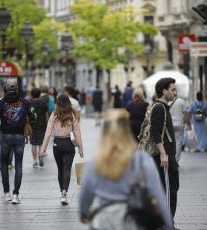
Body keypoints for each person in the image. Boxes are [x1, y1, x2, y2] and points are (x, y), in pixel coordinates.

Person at [79, 109, 173, 230]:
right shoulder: (142, 160)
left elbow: (85, 196)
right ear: (127, 130)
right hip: (134, 221)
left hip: (104, 222)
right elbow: (158, 195)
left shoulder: (95, 163)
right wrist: (168, 225)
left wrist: (83, 213)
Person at [0, 78, 36, 204]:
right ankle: (15, 195)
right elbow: (33, 117)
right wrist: (27, 124)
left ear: (5, 88)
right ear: (17, 88)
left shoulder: (0, 103)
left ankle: (6, 193)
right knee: (18, 165)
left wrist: (2, 127)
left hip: (6, 137)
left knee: (5, 165)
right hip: (19, 137)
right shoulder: (25, 102)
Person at [39, 95, 84, 205]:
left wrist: (42, 149)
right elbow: (77, 132)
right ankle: (64, 192)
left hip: (57, 145)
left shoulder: (54, 115)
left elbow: (48, 132)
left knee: (60, 169)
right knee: (67, 169)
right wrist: (81, 148)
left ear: (58, 103)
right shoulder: (71, 115)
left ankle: (61, 192)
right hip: (68, 144)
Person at [150, 78, 179, 229]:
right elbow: (155, 133)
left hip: (168, 156)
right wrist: (162, 153)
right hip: (164, 157)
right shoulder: (159, 108)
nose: (175, 92)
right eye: (173, 89)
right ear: (164, 91)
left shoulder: (163, 107)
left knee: (171, 190)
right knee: (168, 193)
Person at [169, 95, 191, 162]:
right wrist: (188, 124)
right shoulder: (181, 101)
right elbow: (185, 114)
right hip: (179, 124)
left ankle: (171, 158)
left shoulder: (168, 101)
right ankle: (176, 160)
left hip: (170, 125)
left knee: (170, 142)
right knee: (178, 143)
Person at [30, 88, 48, 168]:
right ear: (39, 94)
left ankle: (34, 161)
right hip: (42, 125)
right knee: (41, 143)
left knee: (33, 144)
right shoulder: (43, 103)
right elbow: (46, 115)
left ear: (31, 94)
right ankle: (40, 158)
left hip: (32, 125)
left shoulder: (29, 103)